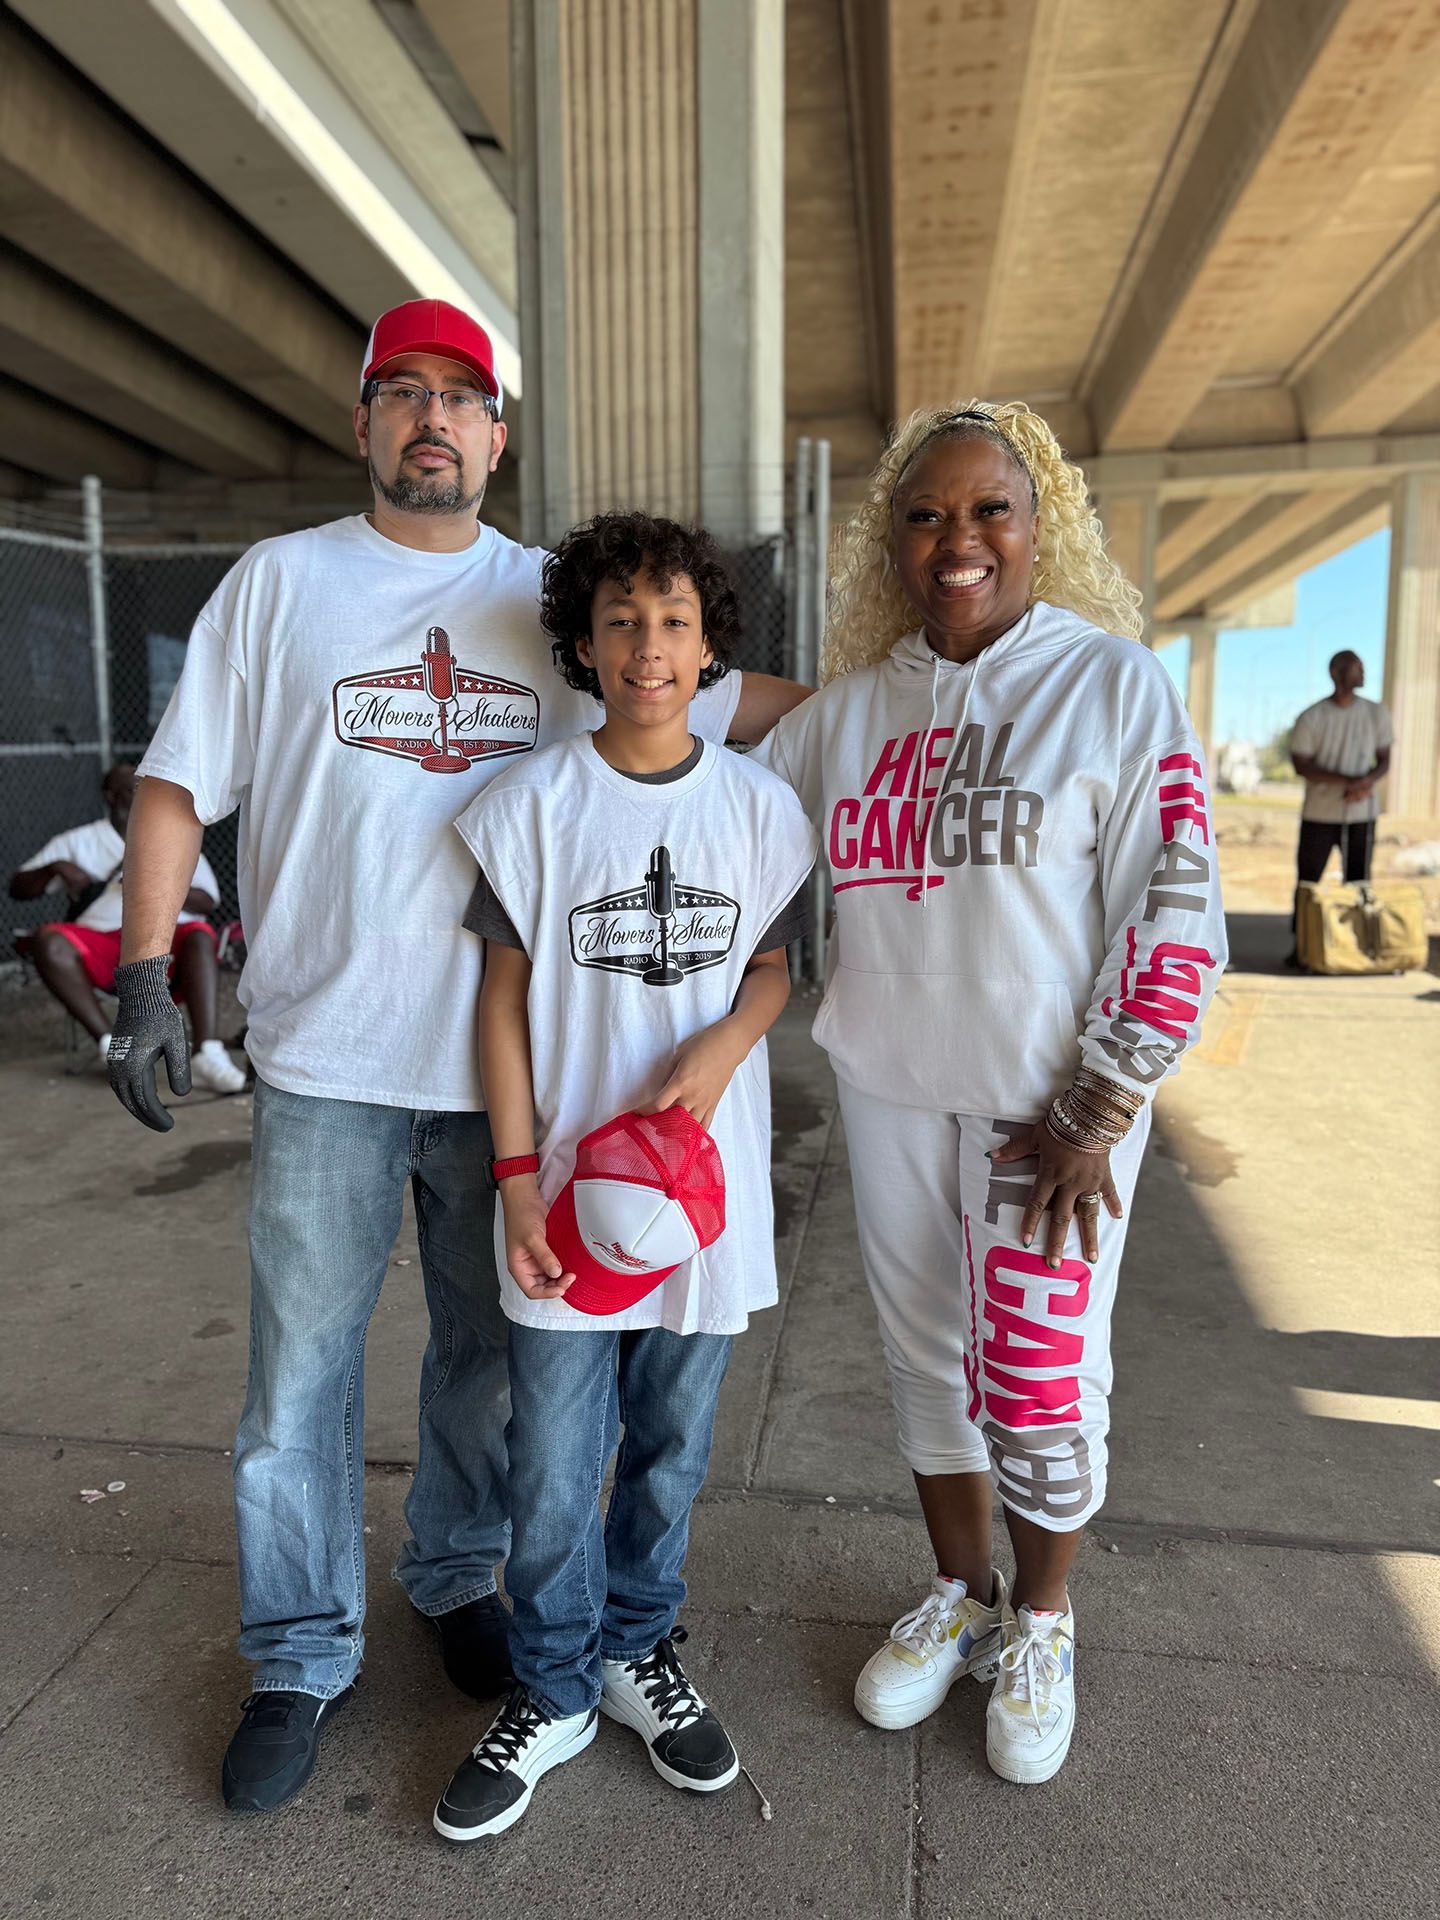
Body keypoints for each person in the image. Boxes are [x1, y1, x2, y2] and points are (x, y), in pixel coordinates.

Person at [107, 298, 809, 1815]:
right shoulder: (281, 585)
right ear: (362, 420)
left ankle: (450, 1577)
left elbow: (749, 710)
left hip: (523, 1082)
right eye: (403, 393)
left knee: (490, 1380)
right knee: (298, 1378)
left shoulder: (559, 603)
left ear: (499, 434)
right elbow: (178, 788)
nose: (433, 419)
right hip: (328, 1057)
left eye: (463, 397)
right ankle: (298, 1648)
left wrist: (952, 712)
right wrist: (147, 976)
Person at [754, 402, 1226, 1784]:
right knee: (926, 1363)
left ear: (1041, 526)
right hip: (891, 1086)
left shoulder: (1111, 684)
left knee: (1035, 1379)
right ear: (891, 545)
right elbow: (700, 756)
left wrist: (1103, 1101)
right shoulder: (852, 713)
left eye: (990, 511)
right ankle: (962, 1599)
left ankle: (1045, 1618)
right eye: (926, 515)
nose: (958, 538)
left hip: (1048, 1113)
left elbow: (1179, 894)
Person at [431, 511, 816, 1841]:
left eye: (672, 622)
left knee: (670, 1449)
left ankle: (635, 1648)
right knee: (551, 1461)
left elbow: (774, 966)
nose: (647, 647)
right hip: (566, 1206)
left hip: (704, 1202)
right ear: (580, 648)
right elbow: (500, 1006)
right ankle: (550, 1685)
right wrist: (521, 1181)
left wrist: (723, 1044)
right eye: (619, 622)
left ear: (712, 646)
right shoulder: (529, 807)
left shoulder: (761, 808)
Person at [10, 764, 244, 1092]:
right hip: (103, 945)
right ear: (111, 796)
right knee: (48, 938)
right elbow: (18, 889)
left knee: (200, 935)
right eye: (133, 787)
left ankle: (207, 1052)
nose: (143, 792)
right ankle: (114, 1047)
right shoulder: (80, 841)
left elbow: (208, 902)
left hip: (167, 946)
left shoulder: (171, 833)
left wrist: (153, 880)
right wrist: (54, 868)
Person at [1288, 649, 1392, 949]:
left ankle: (1357, 947)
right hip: (1319, 814)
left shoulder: (1376, 713)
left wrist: (1365, 782)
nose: (1363, 674)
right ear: (1336, 673)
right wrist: (1349, 781)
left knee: (1358, 882)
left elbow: (1385, 759)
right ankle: (1303, 947)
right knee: (1308, 884)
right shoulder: (1313, 717)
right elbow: (1301, 764)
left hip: (1362, 814)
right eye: (1356, 668)